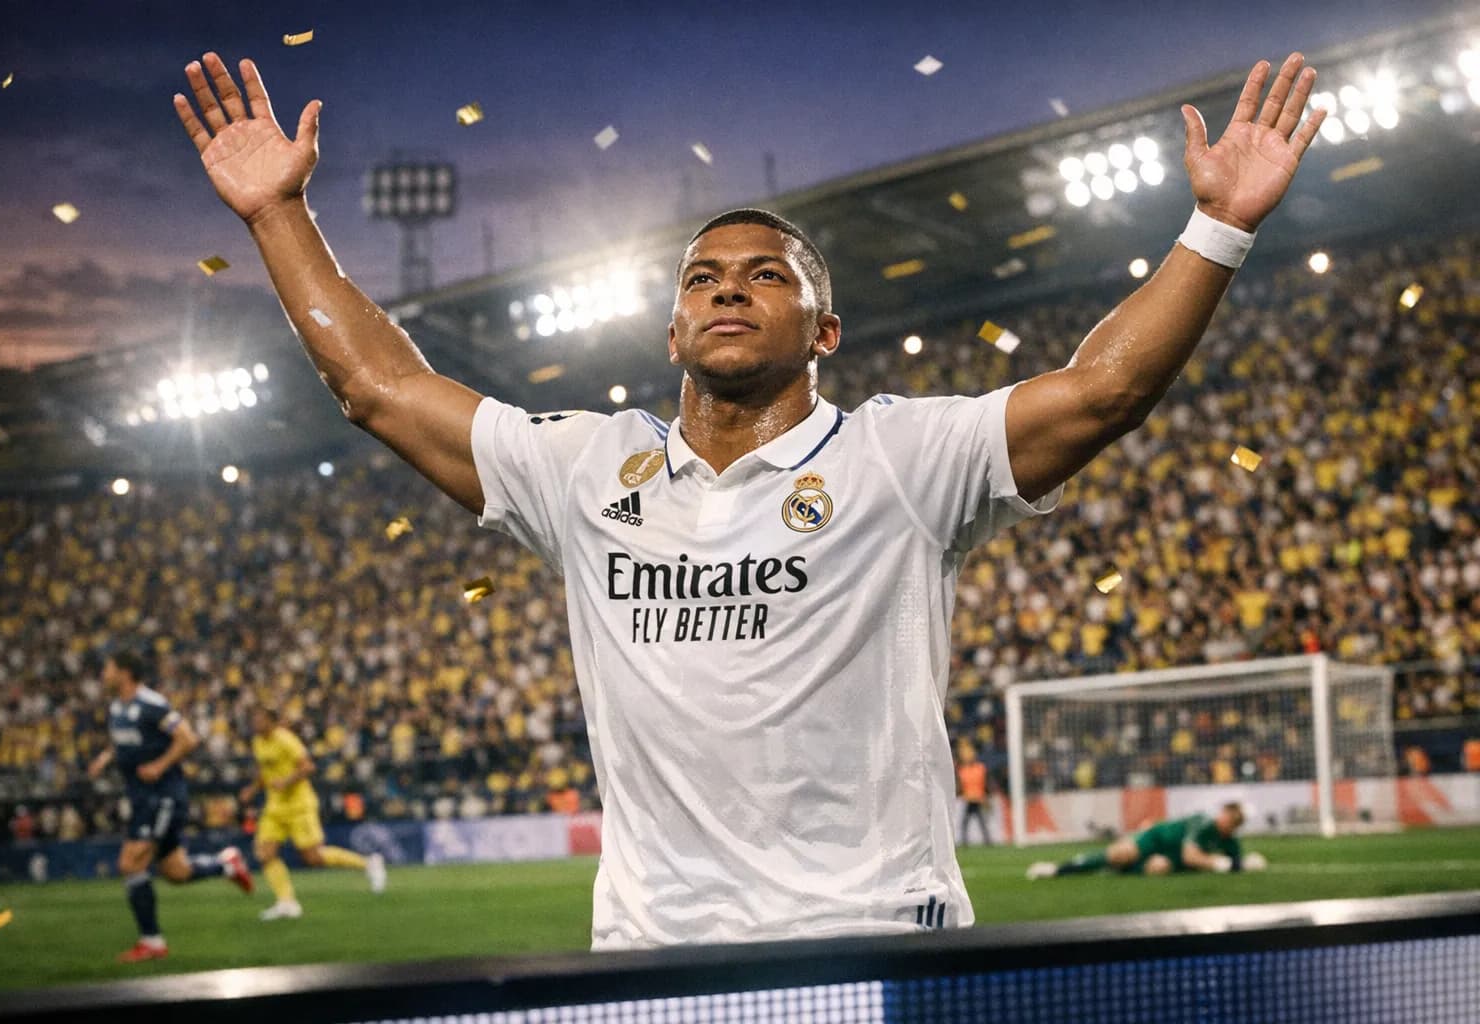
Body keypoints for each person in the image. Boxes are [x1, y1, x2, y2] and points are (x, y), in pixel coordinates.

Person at [174, 50, 1323, 947]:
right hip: (653, 959)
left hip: (872, 941)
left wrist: (1219, 224)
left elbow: (1103, 392)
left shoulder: (902, 460)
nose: (729, 285)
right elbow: (378, 388)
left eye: (766, 274)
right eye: (703, 279)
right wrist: (278, 212)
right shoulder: (584, 469)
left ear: (824, 330)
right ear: (672, 329)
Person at [86, 647, 252, 962]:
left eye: (107, 668)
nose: (103, 674)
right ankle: (227, 864)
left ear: (124, 672)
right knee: (176, 872)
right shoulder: (117, 707)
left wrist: (160, 766)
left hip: (161, 795)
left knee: (131, 863)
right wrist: (105, 757)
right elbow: (124, 739)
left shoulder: (152, 704)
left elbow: (188, 738)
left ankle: (152, 942)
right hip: (141, 797)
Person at [242, 705, 386, 920]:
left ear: (271, 721)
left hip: (299, 805)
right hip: (275, 807)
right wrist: (253, 789)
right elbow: (265, 771)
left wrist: (286, 781)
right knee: (265, 853)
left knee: (313, 857)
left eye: (259, 718)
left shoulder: (286, 740)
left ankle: (368, 863)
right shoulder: (258, 742)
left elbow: (308, 767)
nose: (255, 722)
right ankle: (287, 902)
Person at [1025, 803, 1265, 878]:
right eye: (1227, 814)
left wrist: (1243, 863)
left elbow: (1236, 860)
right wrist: (1224, 865)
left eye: (1232, 819)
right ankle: (1058, 869)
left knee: (1158, 869)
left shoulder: (1230, 843)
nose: (1226, 820)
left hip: (1169, 858)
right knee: (1120, 855)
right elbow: (1190, 856)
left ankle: (1114, 871)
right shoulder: (1203, 824)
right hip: (1155, 839)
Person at [956, 740, 992, 846]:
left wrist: (987, 796)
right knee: (972, 822)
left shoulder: (979, 768)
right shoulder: (963, 770)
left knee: (971, 822)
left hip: (977, 799)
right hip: (970, 799)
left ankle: (983, 841)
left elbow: (986, 783)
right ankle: (982, 841)